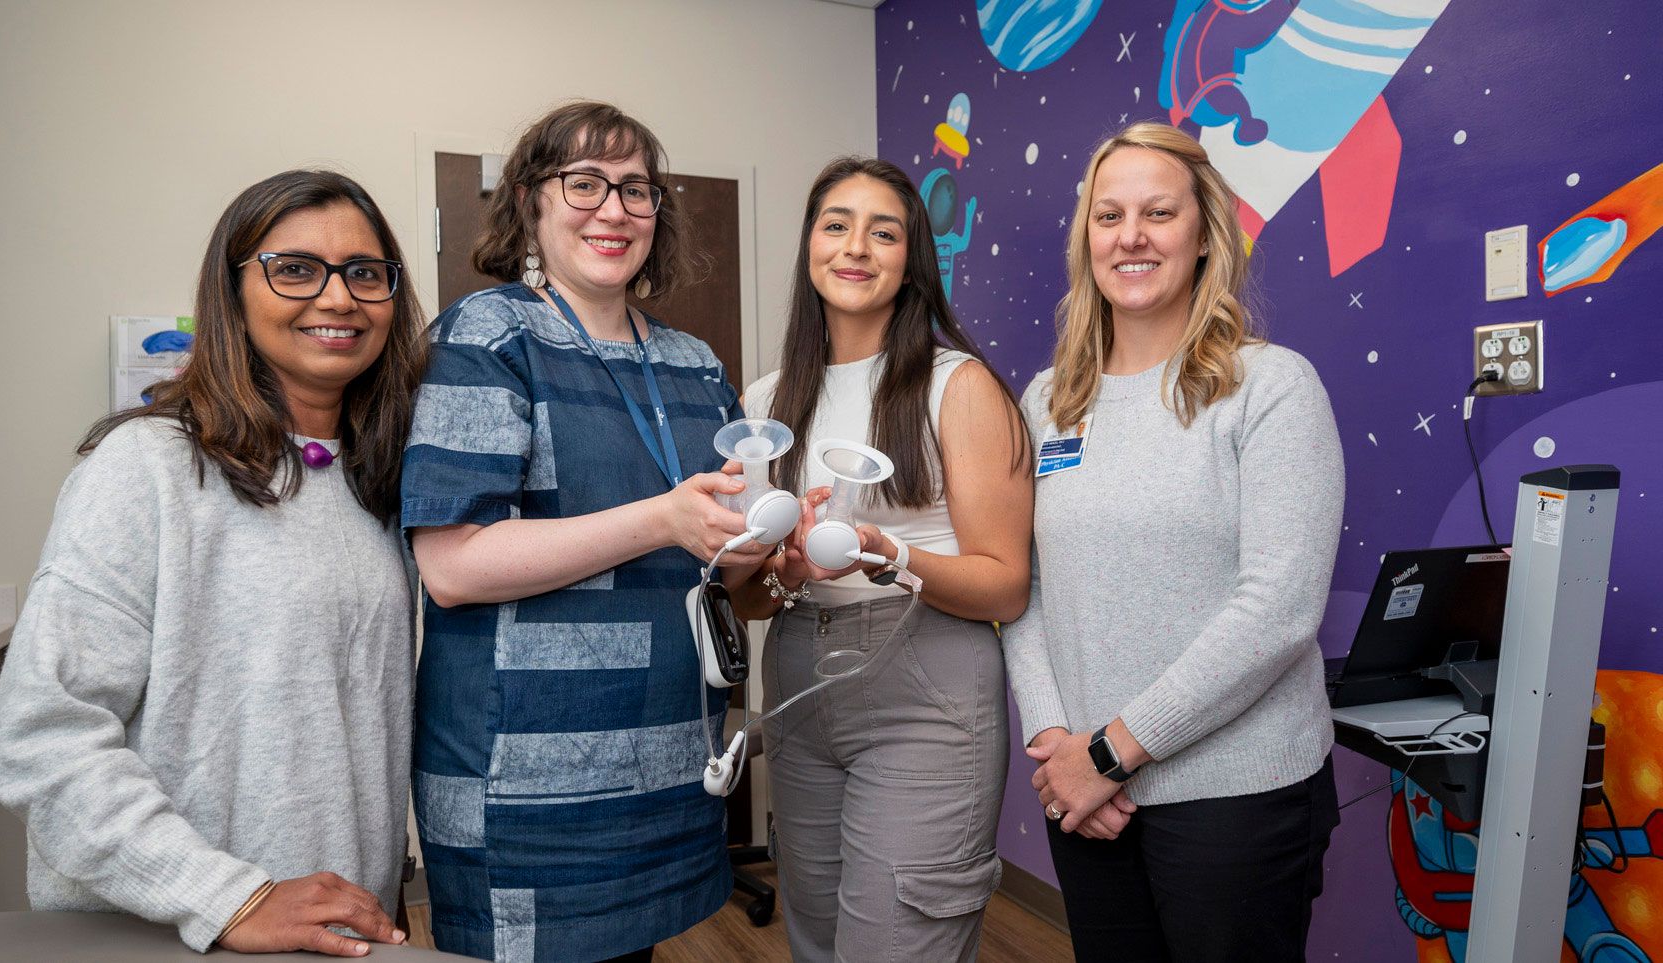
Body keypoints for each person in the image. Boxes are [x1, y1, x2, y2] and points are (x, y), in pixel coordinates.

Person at [0, 170, 427, 956]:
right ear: (232, 291)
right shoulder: (146, 467)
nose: (338, 298)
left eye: (366, 273)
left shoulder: (376, 485)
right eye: (295, 268)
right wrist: (229, 896)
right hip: (166, 931)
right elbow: (43, 737)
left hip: (331, 927)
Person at [402, 101, 765, 963]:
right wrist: (663, 517)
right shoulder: (487, 335)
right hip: (526, 787)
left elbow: (717, 564)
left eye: (636, 189)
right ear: (531, 200)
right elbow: (452, 564)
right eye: (585, 183)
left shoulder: (694, 362)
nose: (614, 209)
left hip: (666, 766)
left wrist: (761, 545)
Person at [1004, 120, 1346, 963]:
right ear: (1086, 240)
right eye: (1108, 215)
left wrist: (1113, 752)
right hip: (1087, 792)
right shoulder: (1048, 401)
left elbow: (1278, 609)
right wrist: (1057, 743)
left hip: (1237, 793)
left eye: (1158, 212)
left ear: (1204, 235)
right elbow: (1022, 584)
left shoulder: (1271, 388)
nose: (1132, 236)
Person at [728, 156, 1032, 962]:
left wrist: (888, 553)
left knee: (897, 941)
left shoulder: (957, 385)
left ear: (910, 260)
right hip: (796, 671)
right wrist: (782, 571)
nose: (856, 246)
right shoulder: (764, 400)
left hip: (923, 676)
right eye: (836, 224)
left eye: (883, 231)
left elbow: (1006, 581)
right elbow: (752, 600)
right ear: (809, 246)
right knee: (818, 938)